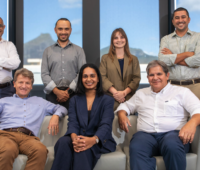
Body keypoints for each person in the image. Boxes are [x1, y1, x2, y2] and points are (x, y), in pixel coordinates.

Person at [115, 60, 200, 170]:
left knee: (172, 145)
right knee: (137, 146)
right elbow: (124, 106)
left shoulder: (182, 92)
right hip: (146, 136)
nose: (155, 78)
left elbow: (198, 109)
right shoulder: (141, 93)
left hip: (174, 135)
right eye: (151, 75)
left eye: (159, 74)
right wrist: (122, 114)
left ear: (167, 75)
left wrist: (192, 123)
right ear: (148, 77)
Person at [51, 63, 116, 170]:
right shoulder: (74, 100)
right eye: (85, 76)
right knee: (63, 142)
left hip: (98, 140)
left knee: (82, 149)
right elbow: (73, 122)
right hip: (78, 136)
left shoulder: (107, 100)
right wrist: (74, 139)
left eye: (92, 76)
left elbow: (106, 125)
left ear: (98, 78)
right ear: (81, 79)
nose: (88, 79)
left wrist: (93, 140)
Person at [0, 68, 67, 170]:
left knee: (41, 150)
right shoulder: (4, 101)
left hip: (29, 138)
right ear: (14, 84)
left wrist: (56, 116)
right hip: (6, 135)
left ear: (31, 86)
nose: (24, 86)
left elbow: (62, 108)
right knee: (8, 149)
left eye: (27, 83)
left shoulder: (40, 102)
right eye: (21, 82)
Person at [41, 18, 86, 109]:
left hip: (74, 95)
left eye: (66, 29)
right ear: (55, 30)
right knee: (52, 122)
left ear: (70, 30)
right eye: (60, 29)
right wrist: (57, 91)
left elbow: (82, 73)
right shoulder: (47, 51)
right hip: (53, 96)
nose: (63, 32)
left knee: (74, 122)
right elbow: (44, 74)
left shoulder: (79, 51)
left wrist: (67, 92)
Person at [158, 7, 200, 99]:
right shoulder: (165, 39)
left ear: (189, 20)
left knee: (196, 113)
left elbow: (198, 61)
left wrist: (172, 56)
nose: (180, 20)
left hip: (196, 87)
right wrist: (187, 54)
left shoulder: (198, 37)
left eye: (183, 17)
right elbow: (162, 60)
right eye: (177, 18)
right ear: (173, 21)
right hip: (173, 87)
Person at [99, 28, 140, 110]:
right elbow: (102, 77)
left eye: (122, 37)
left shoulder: (134, 59)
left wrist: (124, 93)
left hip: (128, 99)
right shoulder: (105, 58)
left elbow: (136, 79)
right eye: (116, 38)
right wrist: (116, 93)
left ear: (126, 39)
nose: (119, 40)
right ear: (112, 41)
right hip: (110, 99)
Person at [0, 17, 21, 98]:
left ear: (4, 27)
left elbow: (16, 63)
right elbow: (11, 63)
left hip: (7, 90)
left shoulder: (9, 45)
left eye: (0, 25)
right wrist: (5, 65)